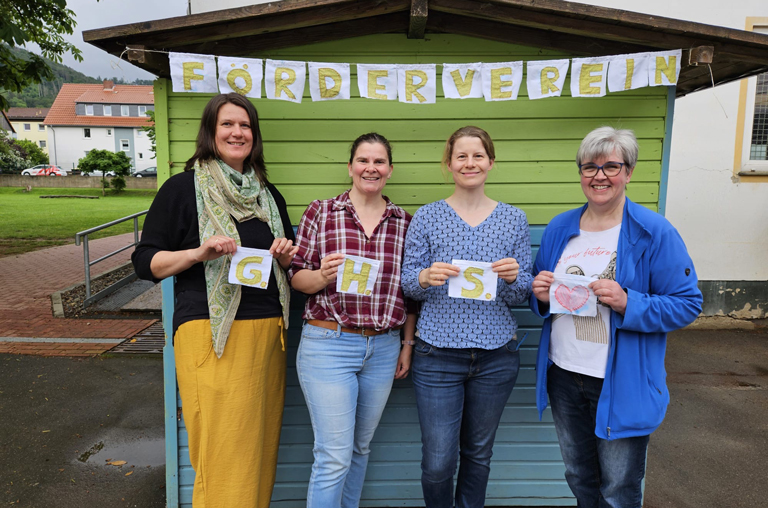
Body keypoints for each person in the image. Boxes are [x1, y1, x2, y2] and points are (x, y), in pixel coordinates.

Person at [131, 93, 296, 508]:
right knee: (223, 451)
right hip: (211, 334)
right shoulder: (183, 189)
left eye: (245, 126)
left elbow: (289, 263)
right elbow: (144, 261)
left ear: (254, 136)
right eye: (228, 124)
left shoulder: (268, 195)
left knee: (258, 450)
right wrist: (196, 253)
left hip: (266, 337)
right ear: (210, 132)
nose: (238, 132)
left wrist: (286, 255)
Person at [530, 126, 703, 508]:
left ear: (628, 172)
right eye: (589, 167)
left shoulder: (653, 232)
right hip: (563, 374)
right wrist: (539, 295)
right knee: (579, 478)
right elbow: (541, 297)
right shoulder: (560, 228)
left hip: (621, 379)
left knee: (619, 489)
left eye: (611, 166)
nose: (599, 176)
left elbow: (688, 303)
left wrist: (629, 302)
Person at [401, 126, 533, 508]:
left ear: (491, 162)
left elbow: (521, 292)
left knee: (478, 454)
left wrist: (513, 277)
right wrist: (425, 277)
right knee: (439, 461)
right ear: (448, 163)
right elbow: (408, 283)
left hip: (496, 354)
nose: (470, 162)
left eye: (478, 155)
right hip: (437, 353)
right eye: (461, 156)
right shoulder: (427, 217)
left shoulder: (513, 219)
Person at [288, 132, 417, 508]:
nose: (370, 168)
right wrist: (323, 275)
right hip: (329, 343)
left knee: (360, 448)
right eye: (363, 160)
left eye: (379, 162)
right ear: (350, 167)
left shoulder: (404, 223)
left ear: (390, 170)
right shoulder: (321, 212)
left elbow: (408, 295)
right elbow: (297, 278)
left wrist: (406, 345)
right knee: (334, 454)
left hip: (383, 346)